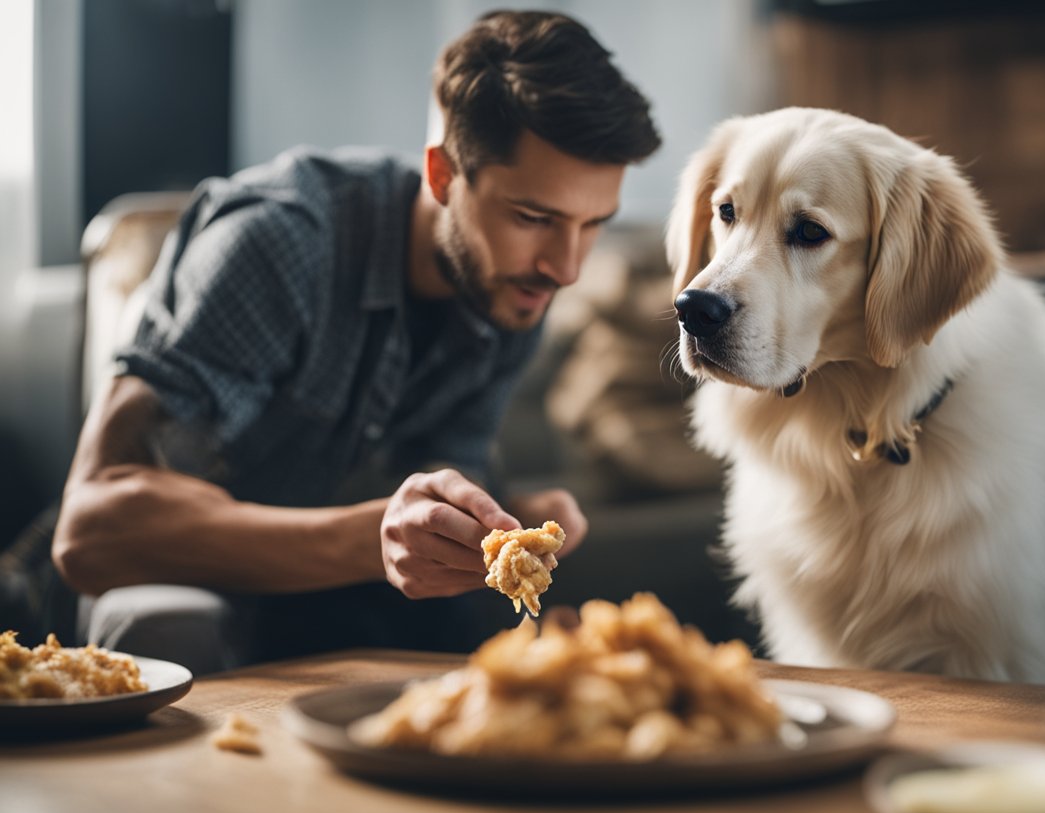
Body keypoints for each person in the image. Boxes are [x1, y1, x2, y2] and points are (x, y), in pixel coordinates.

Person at [51, 10, 661, 673]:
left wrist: (504, 525)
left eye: (593, 223)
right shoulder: (278, 246)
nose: (566, 268)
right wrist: (370, 540)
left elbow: (437, 495)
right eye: (533, 217)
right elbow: (90, 529)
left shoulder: (514, 286)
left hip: (348, 612)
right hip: (206, 603)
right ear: (444, 177)